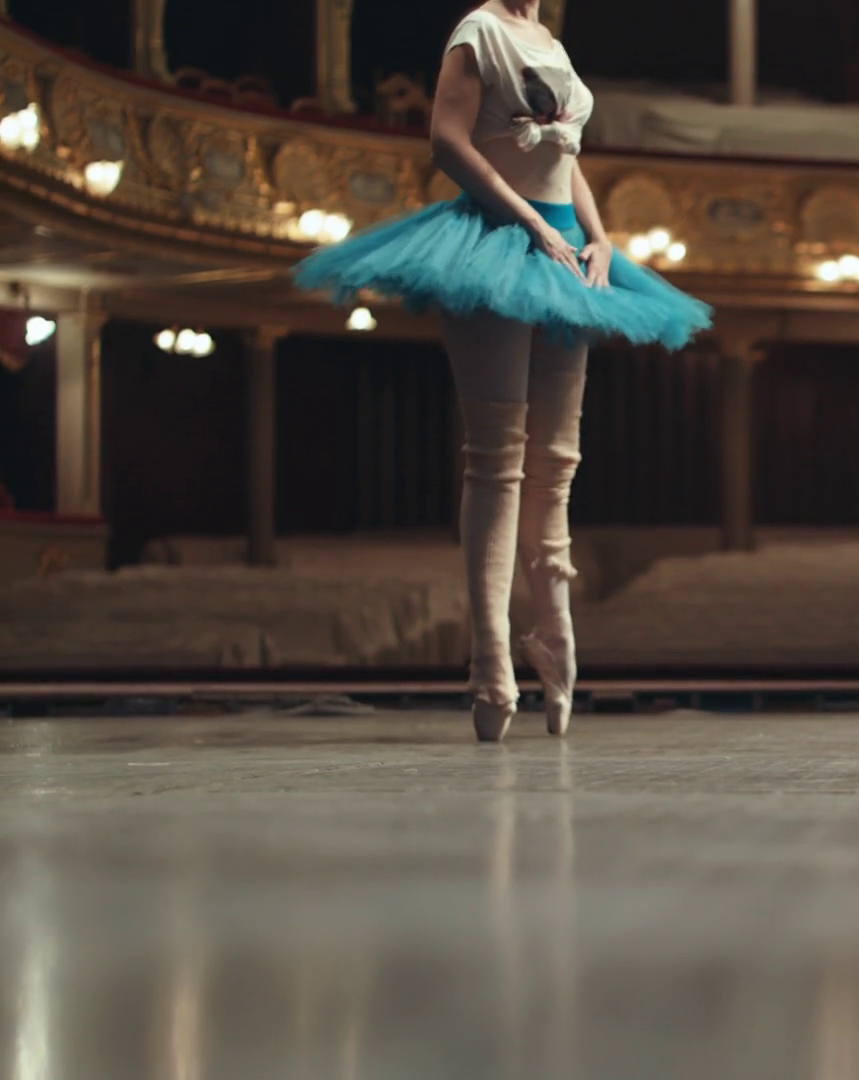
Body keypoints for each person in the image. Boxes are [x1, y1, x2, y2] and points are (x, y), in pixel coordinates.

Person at [294, 0, 710, 743]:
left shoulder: (547, 38)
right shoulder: (478, 33)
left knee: (557, 460)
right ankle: (490, 662)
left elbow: (566, 158)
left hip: (567, 250)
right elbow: (447, 142)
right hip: (494, 242)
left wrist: (600, 237)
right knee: (496, 457)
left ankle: (556, 639)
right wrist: (532, 222)